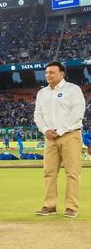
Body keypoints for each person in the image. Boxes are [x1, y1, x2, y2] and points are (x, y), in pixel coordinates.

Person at [34, 61, 85, 218]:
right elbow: (38, 115)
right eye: (47, 72)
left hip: (70, 135)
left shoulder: (73, 90)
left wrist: (61, 130)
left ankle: (71, 207)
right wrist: (45, 130)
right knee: (49, 172)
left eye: (52, 72)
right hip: (50, 138)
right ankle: (49, 206)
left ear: (61, 74)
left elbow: (77, 113)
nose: (48, 75)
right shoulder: (42, 93)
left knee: (72, 173)